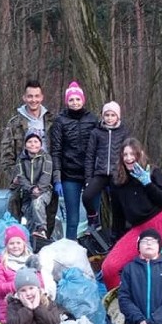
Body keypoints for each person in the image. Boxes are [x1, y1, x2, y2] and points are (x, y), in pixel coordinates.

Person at [101, 138, 162, 291]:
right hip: (139, 229)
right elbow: (118, 214)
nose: (129, 158)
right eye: (125, 154)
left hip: (160, 221)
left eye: (132, 154)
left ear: (139, 154)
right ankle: (119, 307)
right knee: (110, 267)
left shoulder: (152, 171)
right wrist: (115, 241)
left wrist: (147, 183)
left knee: (159, 268)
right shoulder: (117, 181)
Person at [0, 79, 55, 222]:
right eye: (30, 96)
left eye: (37, 96)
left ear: (42, 97)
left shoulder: (52, 121)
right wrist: (14, 177)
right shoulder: (14, 123)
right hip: (23, 180)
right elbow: (6, 154)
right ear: (24, 98)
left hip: (46, 180)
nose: (33, 100)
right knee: (19, 221)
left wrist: (56, 176)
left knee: (47, 221)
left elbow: (58, 150)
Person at [51, 81, 99, 239]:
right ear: (67, 102)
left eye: (77, 99)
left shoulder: (92, 119)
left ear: (83, 100)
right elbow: (56, 150)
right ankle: (70, 252)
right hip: (69, 175)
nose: (75, 102)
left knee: (94, 219)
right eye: (71, 100)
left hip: (91, 175)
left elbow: (101, 147)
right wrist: (57, 178)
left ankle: (95, 253)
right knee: (72, 220)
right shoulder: (60, 121)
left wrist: (103, 177)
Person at [83, 101, 130, 230]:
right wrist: (88, 178)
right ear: (103, 116)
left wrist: (126, 175)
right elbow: (90, 156)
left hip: (116, 174)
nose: (109, 118)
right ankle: (93, 219)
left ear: (118, 117)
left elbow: (128, 154)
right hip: (100, 173)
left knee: (116, 205)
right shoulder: (96, 132)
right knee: (87, 196)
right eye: (107, 115)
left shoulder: (123, 132)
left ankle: (116, 234)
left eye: (112, 115)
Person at [0, 225, 42, 324]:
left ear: (24, 244)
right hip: (10, 311)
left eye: (18, 243)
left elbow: (40, 282)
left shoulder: (31, 262)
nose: (15, 246)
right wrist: (16, 285)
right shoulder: (2, 264)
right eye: (11, 243)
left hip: (31, 308)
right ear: (6, 246)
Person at [12, 129, 54, 239]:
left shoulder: (46, 158)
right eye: (30, 142)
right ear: (25, 145)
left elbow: (46, 175)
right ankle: (30, 239)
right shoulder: (21, 160)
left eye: (36, 141)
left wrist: (39, 189)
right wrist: (31, 189)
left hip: (44, 191)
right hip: (27, 192)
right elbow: (20, 176)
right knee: (28, 214)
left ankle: (42, 229)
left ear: (40, 144)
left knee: (37, 202)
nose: (33, 144)